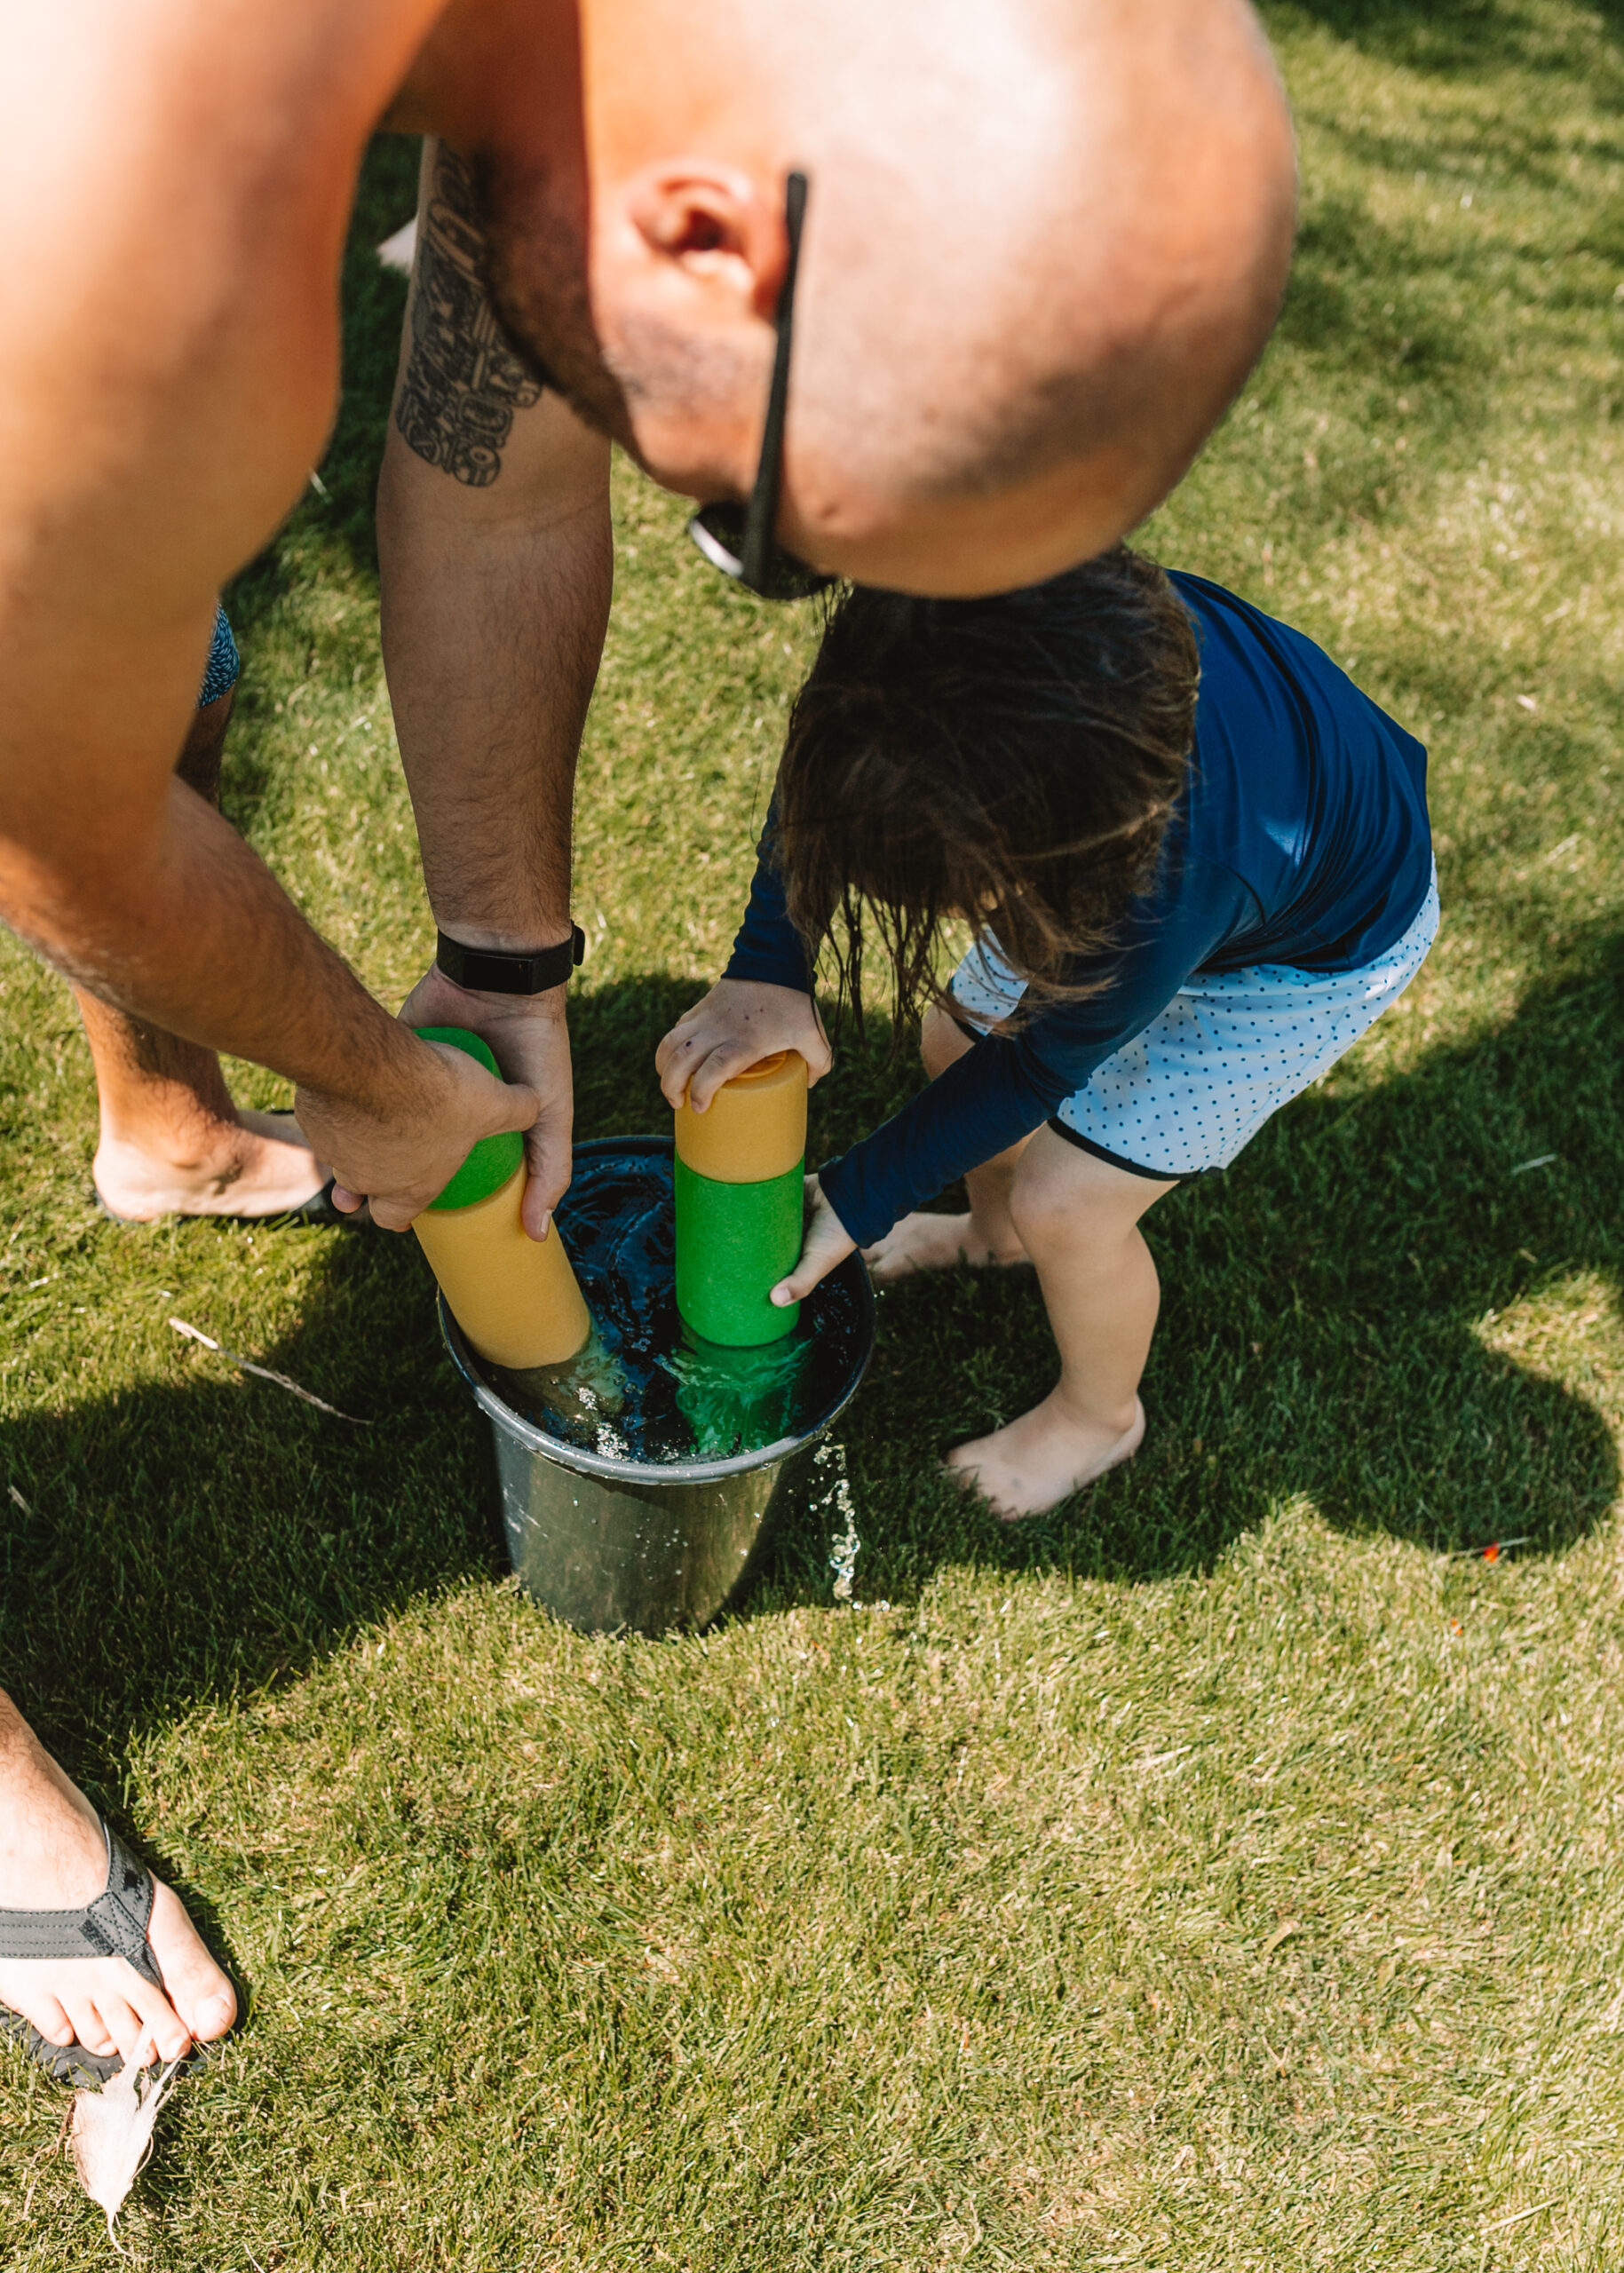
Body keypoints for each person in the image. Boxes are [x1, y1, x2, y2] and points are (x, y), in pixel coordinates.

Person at [0, 0, 1293, 2079]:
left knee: (173, 654)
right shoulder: (113, 235)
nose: (727, 537)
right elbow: (53, 819)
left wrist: (498, 970)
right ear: (713, 236)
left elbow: (489, 463)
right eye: (761, 534)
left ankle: (154, 1131)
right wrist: (388, 1083)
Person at [656, 549, 1438, 1517]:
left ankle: (1097, 1417)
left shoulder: (1162, 879)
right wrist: (769, 959)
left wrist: (863, 1196)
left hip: (1308, 959)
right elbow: (838, 750)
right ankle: (992, 1238)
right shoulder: (987, 615)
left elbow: (1034, 1068)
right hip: (1146, 841)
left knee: (1068, 1201)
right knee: (952, 1046)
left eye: (966, 892)